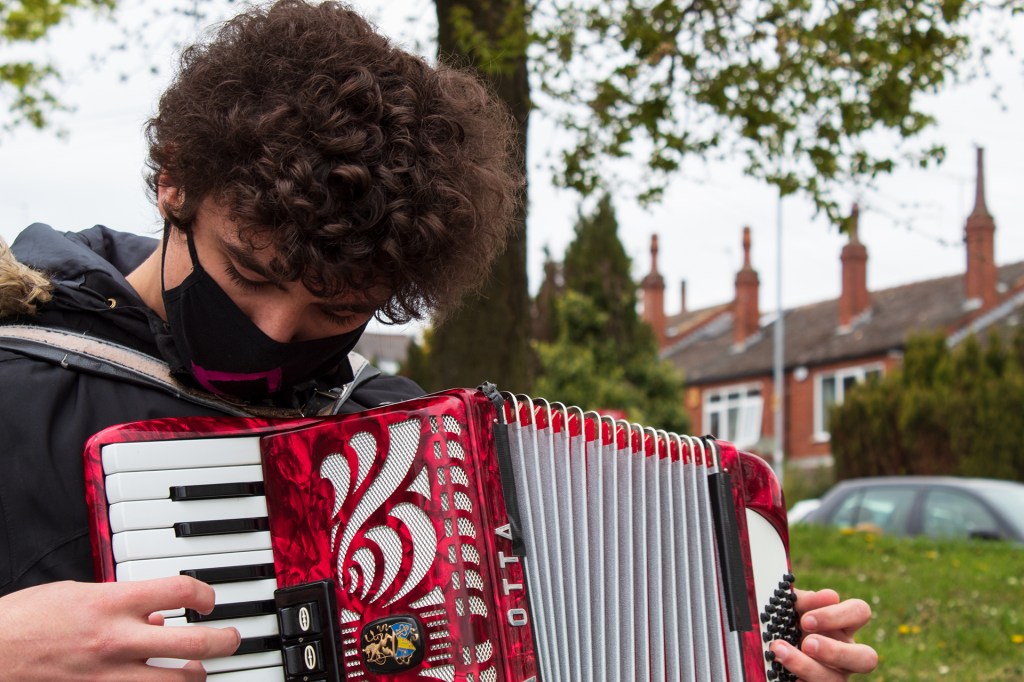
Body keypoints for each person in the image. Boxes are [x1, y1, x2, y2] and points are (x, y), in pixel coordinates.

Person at [0, 1, 877, 679]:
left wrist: (747, 652)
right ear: (172, 185)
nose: (274, 332)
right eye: (251, 274)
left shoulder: (403, 447)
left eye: (336, 311)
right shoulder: (19, 370)